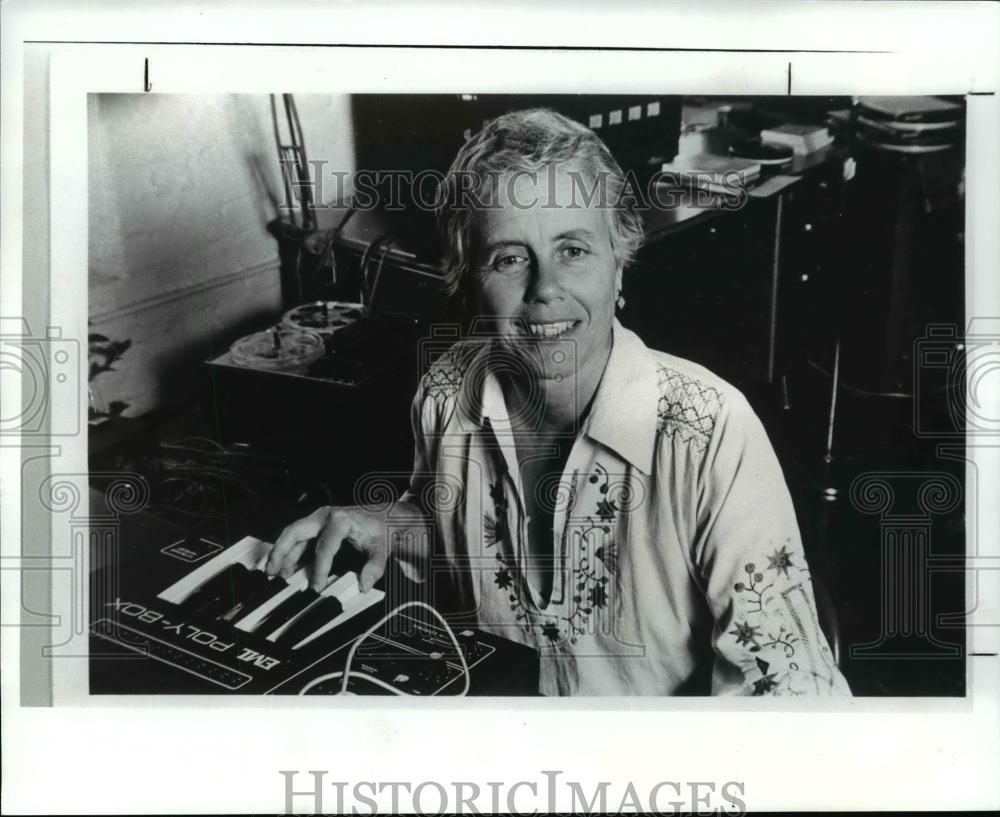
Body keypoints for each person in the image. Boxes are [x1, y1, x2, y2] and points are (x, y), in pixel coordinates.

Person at [266, 108, 851, 697]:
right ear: (470, 281)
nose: (545, 289)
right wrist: (392, 523)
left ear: (620, 266)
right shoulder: (446, 394)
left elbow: (791, 693)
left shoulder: (711, 433)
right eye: (510, 258)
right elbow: (452, 525)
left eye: (573, 250)